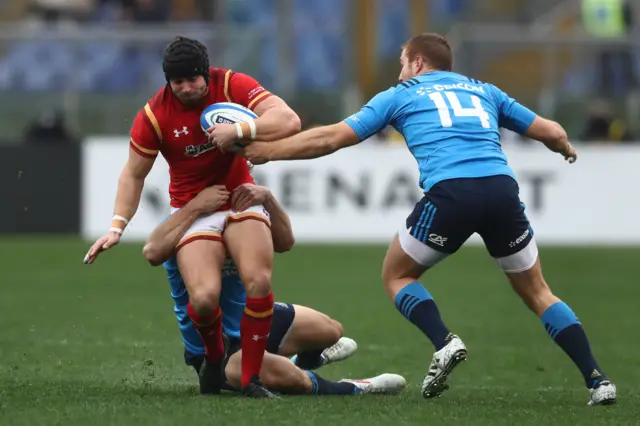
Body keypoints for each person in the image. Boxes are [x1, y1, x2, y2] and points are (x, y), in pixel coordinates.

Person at [239, 33, 616, 406]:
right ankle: (597, 380)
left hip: (452, 193)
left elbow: (330, 139)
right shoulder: (484, 90)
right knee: (538, 292)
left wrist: (270, 151)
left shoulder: (402, 95)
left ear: (417, 62)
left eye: (403, 63)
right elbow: (551, 131)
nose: (401, 72)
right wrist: (564, 147)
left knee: (396, 275)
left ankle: (444, 342)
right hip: (502, 191)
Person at [84, 36, 302, 398]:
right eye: (177, 81)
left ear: (206, 73)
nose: (186, 88)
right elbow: (133, 174)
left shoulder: (231, 85)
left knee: (259, 283)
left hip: (239, 198)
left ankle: (250, 378)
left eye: (193, 80)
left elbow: (288, 121)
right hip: (193, 209)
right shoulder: (155, 114)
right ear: (167, 81)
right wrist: (116, 226)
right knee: (202, 299)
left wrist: (240, 130)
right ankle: (214, 360)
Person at [143, 183, 407, 396]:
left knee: (331, 330)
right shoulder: (184, 219)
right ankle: (356, 387)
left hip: (251, 322)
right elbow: (152, 251)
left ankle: (301, 361)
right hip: (217, 346)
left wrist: (267, 199)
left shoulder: (243, 214)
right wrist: (197, 205)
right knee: (291, 379)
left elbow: (285, 242)